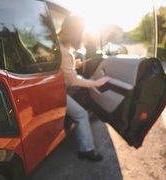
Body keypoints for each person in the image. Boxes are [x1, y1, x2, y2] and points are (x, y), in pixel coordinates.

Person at [58, 15, 110, 162]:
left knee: (81, 94)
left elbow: (61, 69)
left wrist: (75, 66)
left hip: (56, 85)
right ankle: (86, 150)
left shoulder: (57, 43)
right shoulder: (64, 51)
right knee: (81, 114)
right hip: (57, 91)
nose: (82, 36)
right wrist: (97, 83)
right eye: (81, 32)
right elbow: (73, 80)